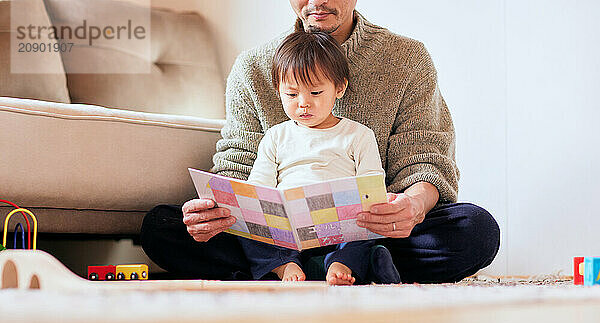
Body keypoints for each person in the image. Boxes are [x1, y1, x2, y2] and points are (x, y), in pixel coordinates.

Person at [140, 0, 500, 284]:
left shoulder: (406, 60)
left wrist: (412, 206)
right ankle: (343, 270)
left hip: (372, 230)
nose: (317, 2)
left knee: (475, 230)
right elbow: (239, 165)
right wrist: (211, 213)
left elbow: (425, 160)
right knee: (161, 228)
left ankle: (323, 266)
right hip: (275, 235)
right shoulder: (253, 67)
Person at [239, 30, 400, 285]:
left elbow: (371, 184)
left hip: (340, 227)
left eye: (315, 93)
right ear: (278, 90)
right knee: (248, 228)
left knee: (368, 228)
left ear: (339, 88)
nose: (303, 103)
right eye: (291, 94)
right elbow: (258, 189)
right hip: (288, 230)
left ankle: (342, 262)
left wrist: (381, 202)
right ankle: (285, 265)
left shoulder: (358, 135)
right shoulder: (275, 136)